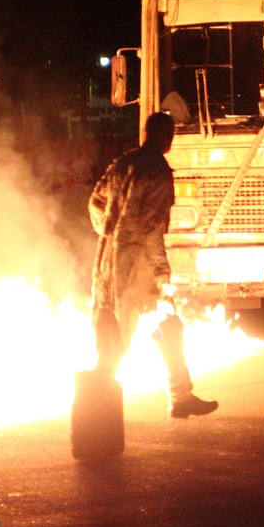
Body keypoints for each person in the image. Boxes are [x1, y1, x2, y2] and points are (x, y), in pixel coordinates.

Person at [88, 112, 218, 418]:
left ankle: (180, 395)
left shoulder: (122, 163)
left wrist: (111, 233)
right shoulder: (158, 172)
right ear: (166, 137)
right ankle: (98, 403)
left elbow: (95, 202)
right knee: (127, 332)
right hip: (139, 267)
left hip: (110, 259)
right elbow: (152, 229)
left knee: (158, 326)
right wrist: (161, 272)